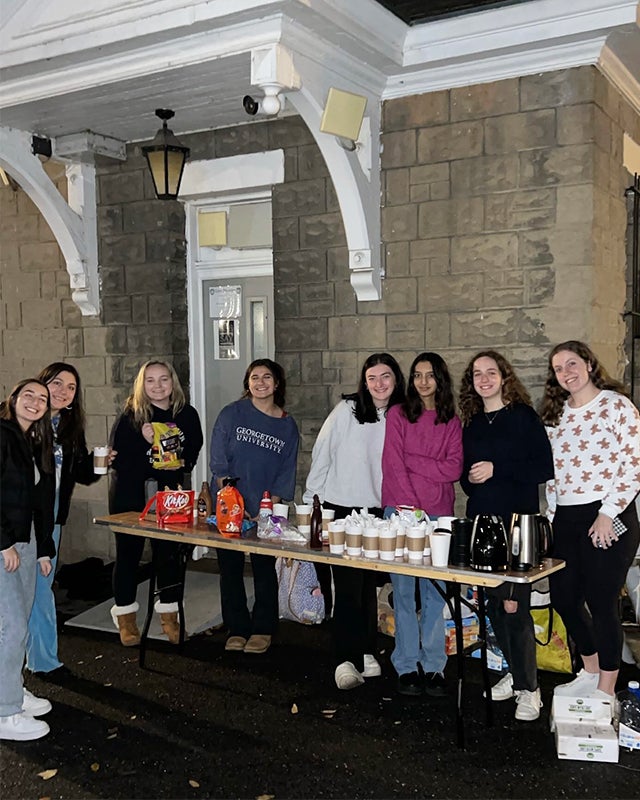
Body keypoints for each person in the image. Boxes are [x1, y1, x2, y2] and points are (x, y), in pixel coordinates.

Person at [540, 340, 640, 699]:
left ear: (588, 363)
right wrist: (551, 519)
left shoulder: (617, 406)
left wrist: (607, 513)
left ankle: (607, 688)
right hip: (567, 516)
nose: (566, 372)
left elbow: (633, 465)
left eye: (571, 363)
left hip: (609, 513)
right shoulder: (555, 417)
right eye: (558, 368)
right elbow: (553, 475)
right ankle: (590, 668)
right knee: (563, 597)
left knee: (601, 600)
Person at [459, 350, 553, 721]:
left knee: (515, 607)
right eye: (477, 374)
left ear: (504, 377)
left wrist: (498, 468)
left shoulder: (523, 417)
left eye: (491, 372)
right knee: (494, 605)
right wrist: (472, 477)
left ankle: (531, 690)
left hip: (518, 525)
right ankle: (516, 676)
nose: (484, 379)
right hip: (484, 524)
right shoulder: (474, 424)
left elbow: (543, 467)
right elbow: (467, 477)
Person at [304, 353, 406, 689]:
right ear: (363, 382)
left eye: (386, 377)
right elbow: (322, 454)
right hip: (342, 510)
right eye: (372, 378)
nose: (379, 384)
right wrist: (312, 501)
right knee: (346, 588)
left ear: (396, 380)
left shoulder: (402, 414)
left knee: (367, 588)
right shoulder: (346, 411)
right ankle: (343, 659)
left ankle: (364, 652)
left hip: (377, 513)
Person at [381, 352, 463, 697]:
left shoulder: (451, 421)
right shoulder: (398, 414)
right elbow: (393, 465)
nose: (423, 381)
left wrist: (416, 461)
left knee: (433, 593)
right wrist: (411, 509)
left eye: (430, 375)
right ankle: (405, 663)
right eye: (417, 375)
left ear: (440, 380)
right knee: (402, 591)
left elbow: (454, 469)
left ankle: (433, 666)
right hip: (401, 513)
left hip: (439, 515)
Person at [109, 361, 203, 646]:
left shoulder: (186, 414)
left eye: (164, 379)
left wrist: (181, 458)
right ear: (141, 384)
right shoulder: (131, 415)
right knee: (128, 554)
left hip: (169, 493)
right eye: (150, 380)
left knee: (169, 555)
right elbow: (117, 459)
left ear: (173, 382)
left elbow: (193, 449)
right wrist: (142, 440)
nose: (158, 386)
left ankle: (169, 618)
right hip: (131, 494)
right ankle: (126, 619)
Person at [210, 359, 299, 655]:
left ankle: (263, 627)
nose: (261, 382)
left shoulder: (287, 426)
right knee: (230, 568)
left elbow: (286, 472)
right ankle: (236, 626)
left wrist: (265, 508)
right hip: (228, 504)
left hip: (264, 509)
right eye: (254, 377)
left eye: (267, 377)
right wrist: (233, 504)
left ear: (277, 384)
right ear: (247, 383)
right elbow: (219, 462)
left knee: (263, 568)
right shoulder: (231, 414)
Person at [26, 363, 110, 675]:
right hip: (21, 520)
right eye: (57, 383)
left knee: (40, 588)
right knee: (21, 591)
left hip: (52, 521)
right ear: (41, 383)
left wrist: (99, 463)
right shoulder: (22, 422)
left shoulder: (69, 429)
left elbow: (82, 475)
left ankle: (43, 660)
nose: (63, 391)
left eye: (71, 387)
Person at [0, 379, 55, 741]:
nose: (36, 402)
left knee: (15, 621)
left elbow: (38, 502)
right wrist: (3, 543)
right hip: (6, 544)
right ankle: (5, 714)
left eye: (43, 399)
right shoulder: (2, 434)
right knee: (12, 626)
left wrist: (44, 548)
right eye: (29, 395)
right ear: (14, 398)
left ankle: (11, 691)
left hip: (26, 542)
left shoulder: (31, 440)